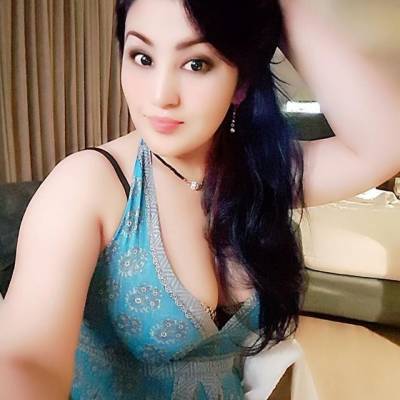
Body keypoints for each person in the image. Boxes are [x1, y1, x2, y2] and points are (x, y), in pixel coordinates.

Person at [0, 0, 399, 398]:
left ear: (241, 82)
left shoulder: (259, 172)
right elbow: (28, 360)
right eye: (142, 57)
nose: (161, 96)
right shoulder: (89, 183)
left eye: (196, 64)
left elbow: (386, 144)